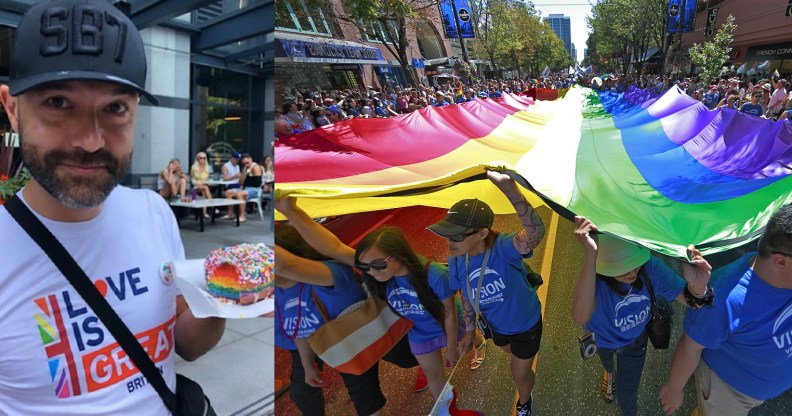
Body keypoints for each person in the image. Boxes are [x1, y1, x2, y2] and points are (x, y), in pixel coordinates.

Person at [0, 0, 225, 413]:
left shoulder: (153, 212)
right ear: (12, 109)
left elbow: (187, 346)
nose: (90, 141)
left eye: (115, 108)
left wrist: (225, 297)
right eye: (57, 103)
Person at [276, 198, 483, 416]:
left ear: (399, 255)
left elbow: (449, 313)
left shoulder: (433, 274)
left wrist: (452, 345)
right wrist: (292, 210)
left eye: (377, 265)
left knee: (464, 340)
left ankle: (479, 343)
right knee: (433, 375)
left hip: (444, 322)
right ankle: (448, 412)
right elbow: (334, 247)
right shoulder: (378, 274)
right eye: (366, 267)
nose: (371, 272)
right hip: (418, 333)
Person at [427, 170, 544, 416]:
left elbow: (535, 234)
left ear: (482, 233)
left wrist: (510, 189)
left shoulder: (503, 248)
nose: (450, 240)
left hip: (526, 325)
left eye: (457, 235)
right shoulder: (458, 259)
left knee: (518, 373)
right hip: (496, 328)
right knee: (512, 355)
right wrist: (469, 331)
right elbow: (467, 296)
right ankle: (523, 363)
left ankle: (524, 402)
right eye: (447, 232)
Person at [571, 217, 713, 416]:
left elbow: (692, 301)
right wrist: (590, 256)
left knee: (627, 395)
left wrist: (699, 287)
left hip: (635, 343)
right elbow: (579, 316)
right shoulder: (594, 275)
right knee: (606, 362)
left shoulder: (649, 267)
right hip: (601, 341)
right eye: (621, 267)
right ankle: (609, 372)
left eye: (635, 265)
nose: (632, 272)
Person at [660, 204, 792, 416]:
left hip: (759, 388)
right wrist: (674, 389)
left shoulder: (786, 278)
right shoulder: (724, 297)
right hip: (729, 392)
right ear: (781, 261)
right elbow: (691, 346)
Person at [275, 225, 386, 416]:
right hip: (325, 342)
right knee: (302, 392)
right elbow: (299, 328)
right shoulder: (280, 289)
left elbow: (285, 264)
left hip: (355, 339)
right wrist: (308, 364)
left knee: (407, 359)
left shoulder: (331, 274)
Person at [224, 153, 261, 223]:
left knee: (239, 194)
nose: (246, 164)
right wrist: (245, 173)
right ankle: (230, 213)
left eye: (247, 162)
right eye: (244, 163)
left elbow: (257, 183)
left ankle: (242, 215)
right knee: (228, 192)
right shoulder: (245, 168)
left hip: (254, 189)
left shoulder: (256, 167)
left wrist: (247, 179)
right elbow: (240, 182)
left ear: (251, 159)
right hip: (245, 188)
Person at [189, 151, 213, 218]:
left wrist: (206, 182)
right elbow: (192, 180)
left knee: (204, 191)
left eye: (204, 158)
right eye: (201, 158)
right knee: (205, 188)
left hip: (205, 187)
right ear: (197, 159)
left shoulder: (208, 168)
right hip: (195, 188)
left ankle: (204, 213)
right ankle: (213, 206)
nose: (202, 159)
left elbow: (209, 179)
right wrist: (200, 183)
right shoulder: (194, 167)